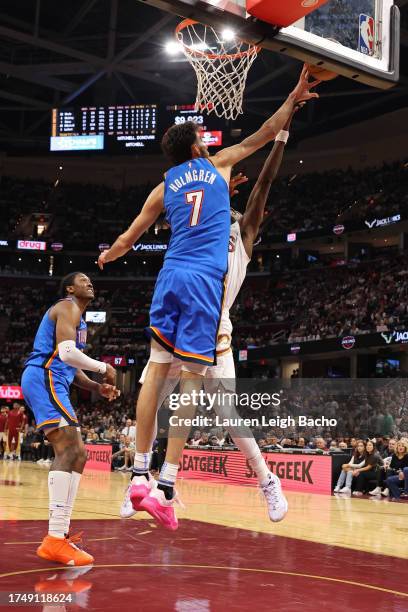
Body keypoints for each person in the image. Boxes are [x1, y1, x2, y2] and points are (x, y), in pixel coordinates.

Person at [99, 68, 319, 530]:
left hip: (189, 298)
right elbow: (258, 139)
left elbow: (255, 195)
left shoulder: (230, 226)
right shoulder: (216, 173)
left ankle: (261, 481)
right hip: (199, 296)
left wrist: (111, 254)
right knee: (163, 389)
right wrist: (289, 106)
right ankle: (159, 482)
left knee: (218, 408)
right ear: (199, 148)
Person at [21, 272, 119, 566]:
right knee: (70, 450)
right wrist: (104, 368)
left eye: (91, 280)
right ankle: (54, 539)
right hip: (44, 376)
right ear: (69, 288)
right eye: (83, 279)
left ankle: (59, 537)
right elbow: (65, 353)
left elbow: (71, 366)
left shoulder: (79, 320)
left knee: (78, 455)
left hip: (54, 378)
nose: (89, 283)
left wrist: (95, 386)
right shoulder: (67, 306)